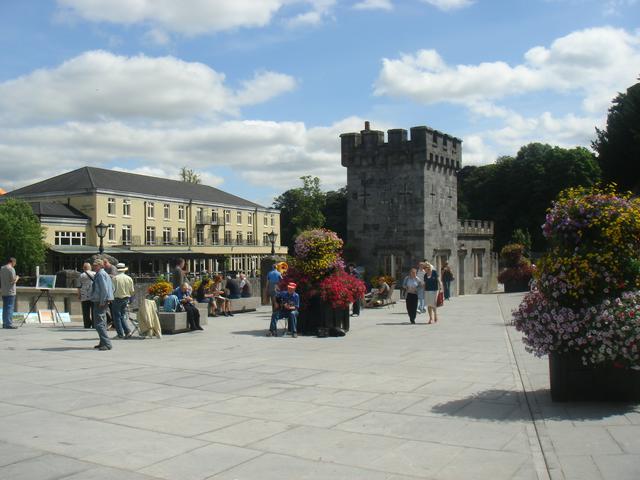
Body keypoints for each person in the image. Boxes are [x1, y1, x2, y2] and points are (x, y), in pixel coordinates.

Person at [90, 259, 114, 350]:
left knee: (98, 323)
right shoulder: (105, 274)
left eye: (96, 265)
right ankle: (102, 342)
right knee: (102, 322)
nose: (94, 266)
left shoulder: (100, 274)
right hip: (103, 300)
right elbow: (112, 287)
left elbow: (104, 289)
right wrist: (108, 298)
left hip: (99, 301)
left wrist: (102, 301)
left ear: (100, 266)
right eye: (93, 265)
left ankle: (107, 344)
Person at [111, 263, 135, 338]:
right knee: (122, 315)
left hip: (117, 298)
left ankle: (120, 334)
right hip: (126, 298)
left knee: (117, 316)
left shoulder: (114, 278)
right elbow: (132, 291)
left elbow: (112, 290)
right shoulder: (129, 278)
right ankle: (127, 331)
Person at [1, 257, 19, 329]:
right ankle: (9, 323)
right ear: (12, 262)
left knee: (5, 307)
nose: (15, 264)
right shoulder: (11, 269)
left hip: (4, 290)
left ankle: (5, 323)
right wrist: (17, 277)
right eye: (15, 263)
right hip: (10, 291)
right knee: (10, 307)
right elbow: (13, 280)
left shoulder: (2, 268)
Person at [77, 262, 95, 329]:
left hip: (84, 295)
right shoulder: (94, 274)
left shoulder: (81, 275)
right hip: (93, 295)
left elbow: (79, 286)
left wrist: (79, 295)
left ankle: (87, 324)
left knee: (85, 311)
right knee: (94, 310)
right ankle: (94, 324)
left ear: (84, 268)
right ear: (90, 267)